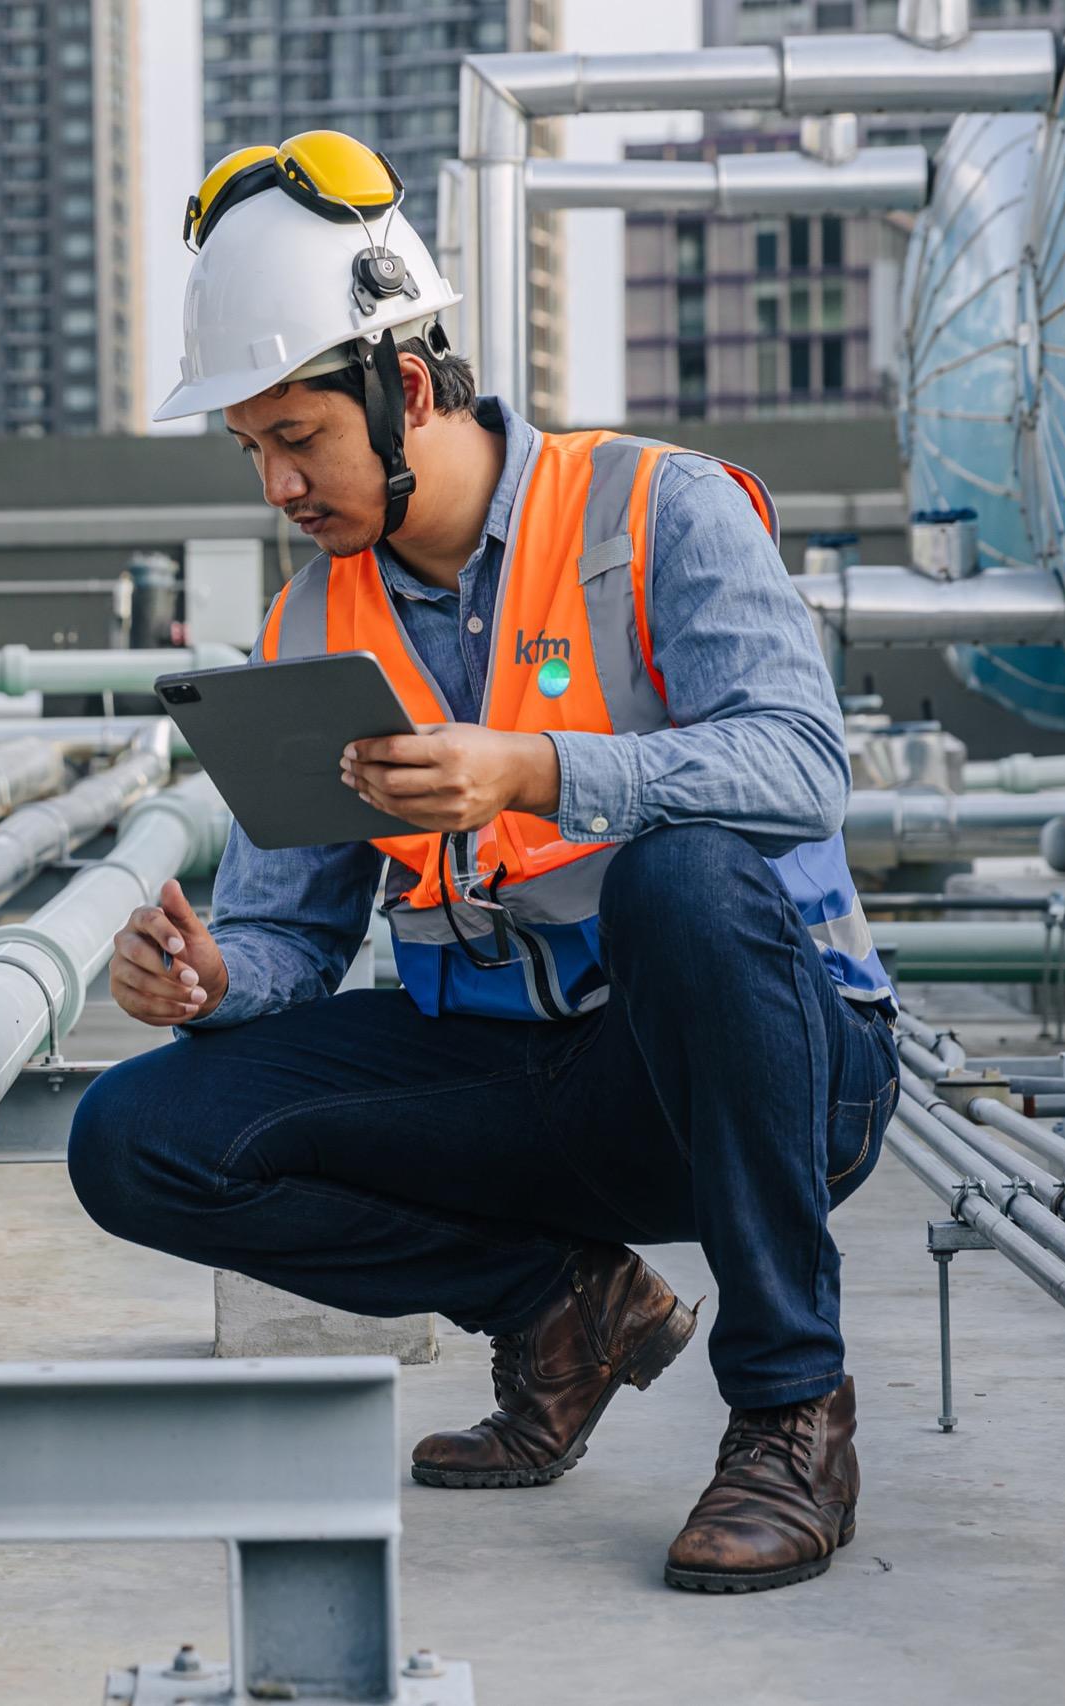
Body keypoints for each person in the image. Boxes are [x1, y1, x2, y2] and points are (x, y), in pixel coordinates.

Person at [67, 131, 894, 1594]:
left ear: (407, 379)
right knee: (135, 1138)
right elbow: (293, 936)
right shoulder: (316, 620)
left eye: (298, 436)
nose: (275, 485)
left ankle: (790, 1413)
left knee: (678, 879)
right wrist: (207, 980)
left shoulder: (659, 509)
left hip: (769, 1063)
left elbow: (803, 764)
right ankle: (561, 1308)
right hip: (513, 1070)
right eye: (250, 447)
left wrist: (536, 766)